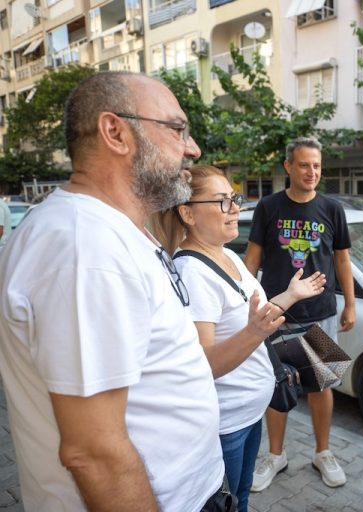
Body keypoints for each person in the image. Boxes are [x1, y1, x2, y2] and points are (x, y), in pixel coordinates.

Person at [0, 72, 235, 510]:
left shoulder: (108, 232)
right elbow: (94, 453)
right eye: (177, 129)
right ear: (116, 132)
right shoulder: (84, 246)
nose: (193, 148)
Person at [151, 164, 327, 512]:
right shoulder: (193, 271)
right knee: (230, 504)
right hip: (226, 422)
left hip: (250, 412)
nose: (235, 209)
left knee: (243, 495)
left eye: (234, 198)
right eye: (222, 202)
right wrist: (254, 332)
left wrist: (290, 295)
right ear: (187, 213)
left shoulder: (228, 254)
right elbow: (204, 364)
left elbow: (252, 318)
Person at [244, 136, 355, 491]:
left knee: (322, 385)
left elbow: (342, 259)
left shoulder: (332, 209)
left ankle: (323, 452)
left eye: (317, 166)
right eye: (304, 165)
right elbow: (253, 257)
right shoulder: (269, 207)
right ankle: (275, 455)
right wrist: (244, 301)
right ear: (288, 166)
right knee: (276, 385)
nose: (312, 172)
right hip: (277, 313)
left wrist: (349, 303)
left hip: (320, 312)